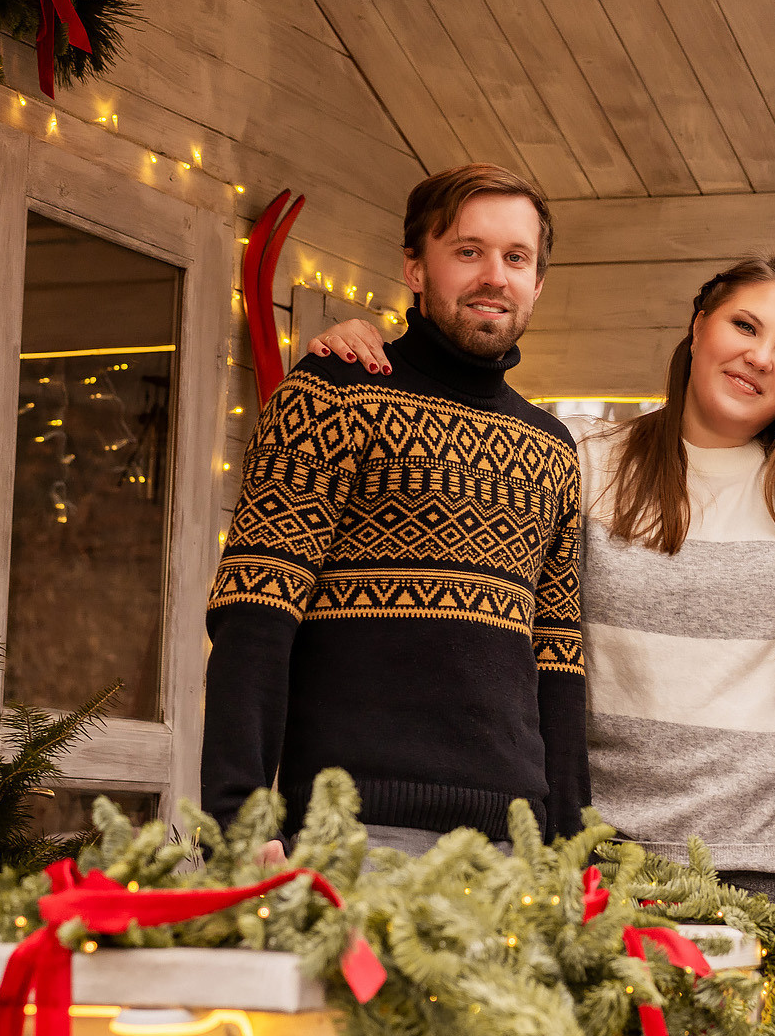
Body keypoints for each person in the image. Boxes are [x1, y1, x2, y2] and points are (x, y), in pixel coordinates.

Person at [305, 259, 775, 915]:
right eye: (745, 325)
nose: (760, 357)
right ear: (700, 323)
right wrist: (368, 343)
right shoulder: (586, 462)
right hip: (605, 861)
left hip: (769, 871)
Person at [201, 163, 587, 857]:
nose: (494, 276)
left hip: (516, 853)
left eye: (515, 257)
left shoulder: (553, 450)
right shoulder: (331, 395)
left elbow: (556, 659)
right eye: (468, 251)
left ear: (537, 281)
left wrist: (567, 846)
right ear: (415, 268)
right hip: (353, 834)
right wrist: (241, 821)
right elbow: (256, 613)